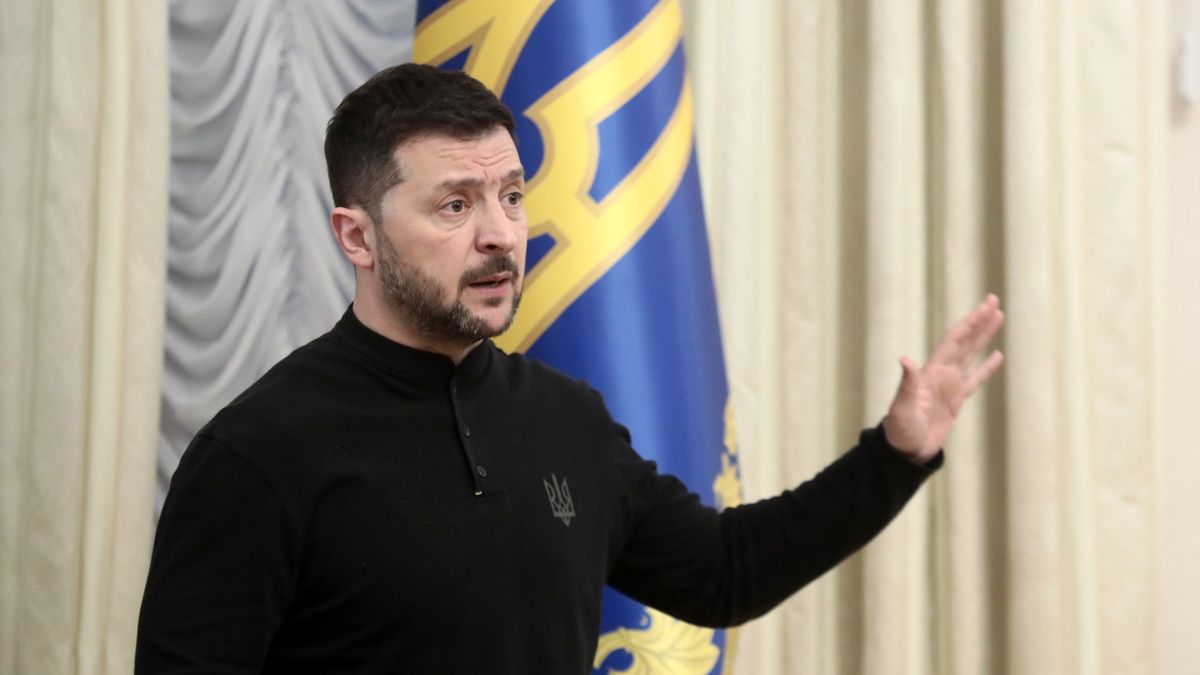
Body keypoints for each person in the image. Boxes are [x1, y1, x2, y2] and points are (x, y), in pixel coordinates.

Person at [135, 63, 1004, 674]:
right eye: (455, 204)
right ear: (357, 236)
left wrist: (895, 453)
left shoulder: (565, 417)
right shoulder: (259, 451)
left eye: (511, 195)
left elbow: (722, 571)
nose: (501, 234)